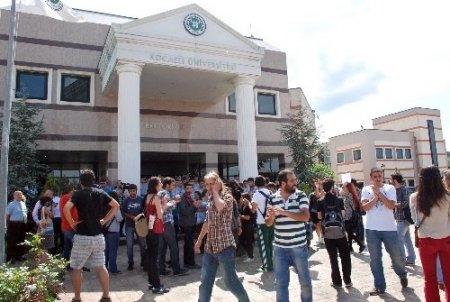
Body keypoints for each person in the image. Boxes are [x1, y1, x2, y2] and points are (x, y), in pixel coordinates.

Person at [63, 169, 120, 302]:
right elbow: (116, 205)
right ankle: (106, 296)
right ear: (93, 181)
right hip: (98, 236)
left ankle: (77, 298)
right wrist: (104, 220)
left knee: (76, 268)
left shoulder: (78, 194)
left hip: (82, 236)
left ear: (80, 182)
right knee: (101, 267)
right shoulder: (100, 192)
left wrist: (71, 223)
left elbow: (66, 208)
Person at [195, 171, 250, 302]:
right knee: (205, 282)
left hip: (225, 246)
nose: (208, 187)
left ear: (218, 183)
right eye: (206, 184)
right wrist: (199, 241)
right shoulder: (209, 199)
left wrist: (215, 191)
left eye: (211, 184)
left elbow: (220, 208)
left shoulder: (228, 197)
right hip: (210, 247)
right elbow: (207, 222)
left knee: (230, 282)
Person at [265, 169, 312, 302]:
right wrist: (272, 217)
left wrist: (284, 212)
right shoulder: (272, 198)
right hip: (279, 248)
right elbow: (268, 223)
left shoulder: (300, 195)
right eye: (292, 181)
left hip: (299, 246)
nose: (295, 182)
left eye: (295, 180)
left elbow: (305, 217)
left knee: (305, 282)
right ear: (283, 183)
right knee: (280, 284)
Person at [361, 167, 408, 296]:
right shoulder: (366, 189)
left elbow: (391, 206)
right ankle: (379, 286)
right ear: (371, 177)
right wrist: (375, 197)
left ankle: (402, 274)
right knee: (375, 259)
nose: (377, 178)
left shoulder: (390, 188)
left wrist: (380, 194)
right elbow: (365, 207)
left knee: (396, 256)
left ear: (382, 177)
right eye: (375, 176)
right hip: (371, 229)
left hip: (389, 229)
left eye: (379, 176)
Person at [410, 166, 450, 301]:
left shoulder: (414, 198)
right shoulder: (447, 197)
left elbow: (415, 220)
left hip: (426, 240)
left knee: (430, 279)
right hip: (446, 239)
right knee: (449, 277)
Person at [318, 179, 352, 288]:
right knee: (345, 256)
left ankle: (337, 282)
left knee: (333, 258)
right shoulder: (339, 200)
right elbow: (343, 214)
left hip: (327, 234)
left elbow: (319, 217)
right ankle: (347, 280)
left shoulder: (320, 201)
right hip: (340, 233)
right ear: (332, 188)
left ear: (324, 188)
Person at [144, 176, 170, 294]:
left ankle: (151, 282)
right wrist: (167, 204)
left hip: (149, 229)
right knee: (154, 258)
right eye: (160, 182)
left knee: (150, 256)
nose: (161, 184)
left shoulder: (148, 196)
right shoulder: (156, 197)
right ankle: (157, 285)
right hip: (155, 229)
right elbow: (160, 215)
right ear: (155, 185)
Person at [158, 177, 188, 276]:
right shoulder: (165, 193)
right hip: (167, 223)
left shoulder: (160, 193)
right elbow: (166, 207)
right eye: (173, 185)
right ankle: (177, 270)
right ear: (167, 185)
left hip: (160, 224)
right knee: (173, 246)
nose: (174, 187)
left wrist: (173, 202)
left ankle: (161, 269)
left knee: (162, 248)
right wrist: (175, 201)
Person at [391, 173, 416, 266]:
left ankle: (401, 260)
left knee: (399, 239)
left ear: (395, 180)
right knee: (407, 239)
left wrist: (396, 204)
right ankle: (411, 259)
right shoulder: (395, 190)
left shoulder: (404, 189)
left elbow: (406, 202)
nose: (391, 182)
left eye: (392, 180)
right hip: (400, 218)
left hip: (403, 218)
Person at [251, 175, 274, 272]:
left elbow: (253, 210)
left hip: (261, 222)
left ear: (256, 184)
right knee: (271, 243)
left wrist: (248, 203)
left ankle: (266, 266)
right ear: (265, 183)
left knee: (264, 245)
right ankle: (272, 264)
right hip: (271, 220)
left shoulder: (256, 194)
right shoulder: (270, 192)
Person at [121, 183, 146, 271]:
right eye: (131, 191)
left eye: (134, 191)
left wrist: (139, 217)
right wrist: (131, 217)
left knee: (143, 244)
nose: (132, 192)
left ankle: (143, 262)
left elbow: (144, 211)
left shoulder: (141, 199)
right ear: (128, 192)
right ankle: (130, 263)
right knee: (129, 246)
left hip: (140, 225)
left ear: (136, 190)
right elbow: (123, 212)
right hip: (129, 226)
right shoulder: (126, 200)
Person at [179, 182, 201, 269]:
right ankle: (191, 263)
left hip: (190, 222)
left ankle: (187, 262)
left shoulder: (189, 197)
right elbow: (184, 211)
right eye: (187, 189)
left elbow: (191, 210)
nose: (189, 190)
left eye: (190, 189)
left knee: (188, 243)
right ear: (184, 189)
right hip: (186, 223)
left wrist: (195, 206)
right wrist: (194, 206)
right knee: (189, 243)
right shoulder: (183, 198)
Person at [340, 182, 365, 253]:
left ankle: (361, 245)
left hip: (350, 217)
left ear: (348, 188)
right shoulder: (348, 195)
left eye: (343, 187)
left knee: (350, 233)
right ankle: (350, 247)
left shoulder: (349, 195)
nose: (342, 188)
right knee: (349, 232)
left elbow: (353, 206)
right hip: (348, 217)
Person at [104, 191, 124, 274]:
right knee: (113, 251)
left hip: (105, 231)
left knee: (106, 251)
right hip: (114, 231)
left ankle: (105, 268)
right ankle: (113, 269)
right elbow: (119, 219)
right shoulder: (115, 207)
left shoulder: (104, 206)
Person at [6, 191, 28, 262]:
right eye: (18, 195)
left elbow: (25, 213)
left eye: (20, 194)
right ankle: (11, 258)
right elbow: (7, 215)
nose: (19, 196)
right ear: (14, 196)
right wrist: (8, 224)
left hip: (22, 224)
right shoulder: (11, 204)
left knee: (21, 241)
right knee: (12, 241)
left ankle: (19, 256)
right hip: (14, 224)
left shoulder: (23, 203)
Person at [239, 192, 255, 262]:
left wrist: (239, 216)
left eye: (242, 198)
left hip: (249, 226)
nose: (240, 199)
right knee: (241, 240)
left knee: (249, 241)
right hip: (244, 226)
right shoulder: (242, 206)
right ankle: (248, 253)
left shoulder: (249, 206)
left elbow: (248, 217)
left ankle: (251, 256)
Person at [309, 179, 324, 245]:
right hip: (313, 212)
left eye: (318, 185)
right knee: (316, 226)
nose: (316, 186)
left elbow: (318, 195)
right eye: (315, 186)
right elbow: (310, 204)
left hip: (320, 212)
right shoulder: (311, 194)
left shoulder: (323, 192)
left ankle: (322, 238)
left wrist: (318, 186)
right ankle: (319, 238)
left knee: (321, 226)